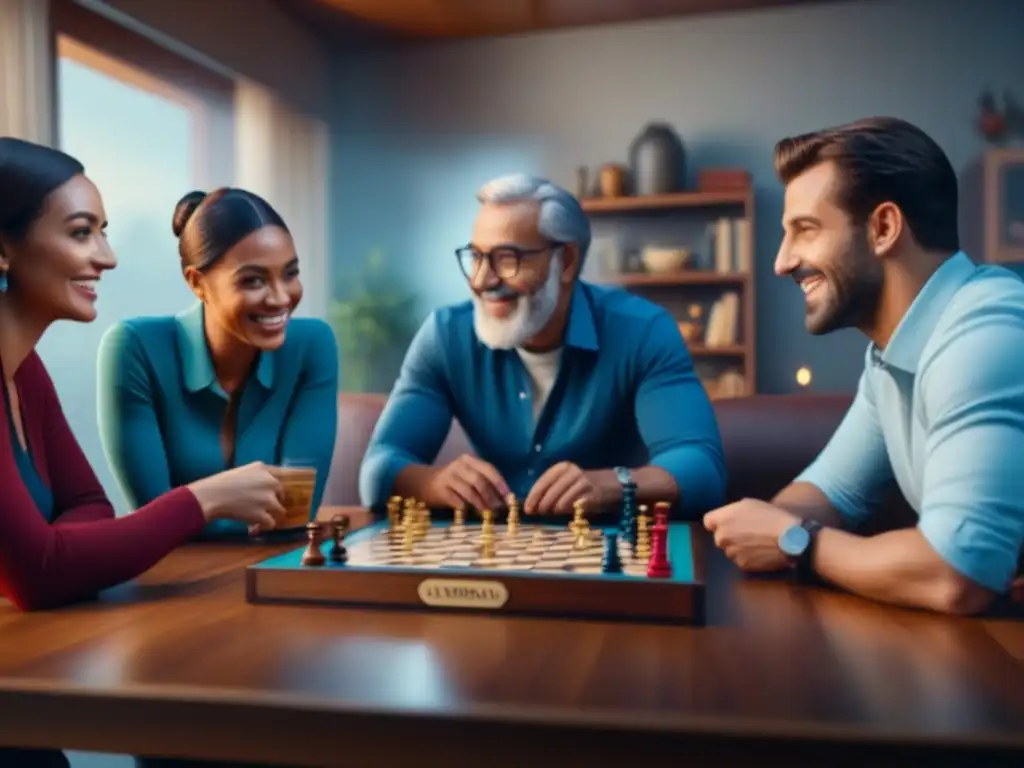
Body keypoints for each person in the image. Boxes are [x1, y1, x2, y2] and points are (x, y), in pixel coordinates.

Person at [0, 139, 289, 763]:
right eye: (81, 233)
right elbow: (41, 572)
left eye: (102, 232)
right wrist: (203, 499)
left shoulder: (25, 371)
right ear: (2, 247)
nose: (106, 257)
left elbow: (86, 508)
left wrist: (54, 550)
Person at [703, 117, 1024, 615]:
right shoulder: (888, 357)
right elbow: (829, 490)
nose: (782, 262)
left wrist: (796, 541)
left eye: (804, 230)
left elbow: (958, 574)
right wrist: (768, 523)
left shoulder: (985, 330)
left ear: (883, 228)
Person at [359, 173, 725, 518]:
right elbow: (378, 468)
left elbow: (702, 468)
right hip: (492, 553)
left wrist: (612, 483)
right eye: (476, 257)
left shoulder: (644, 332)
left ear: (565, 261)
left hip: (607, 552)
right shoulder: (444, 334)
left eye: (507, 259)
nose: (482, 280)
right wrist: (432, 483)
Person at [96, 188, 338, 539]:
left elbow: (295, 514)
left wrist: (192, 508)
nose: (281, 297)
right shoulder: (134, 348)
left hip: (271, 572)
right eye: (253, 280)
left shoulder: (312, 345)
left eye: (290, 273)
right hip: (173, 582)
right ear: (197, 282)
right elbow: (153, 523)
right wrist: (211, 506)